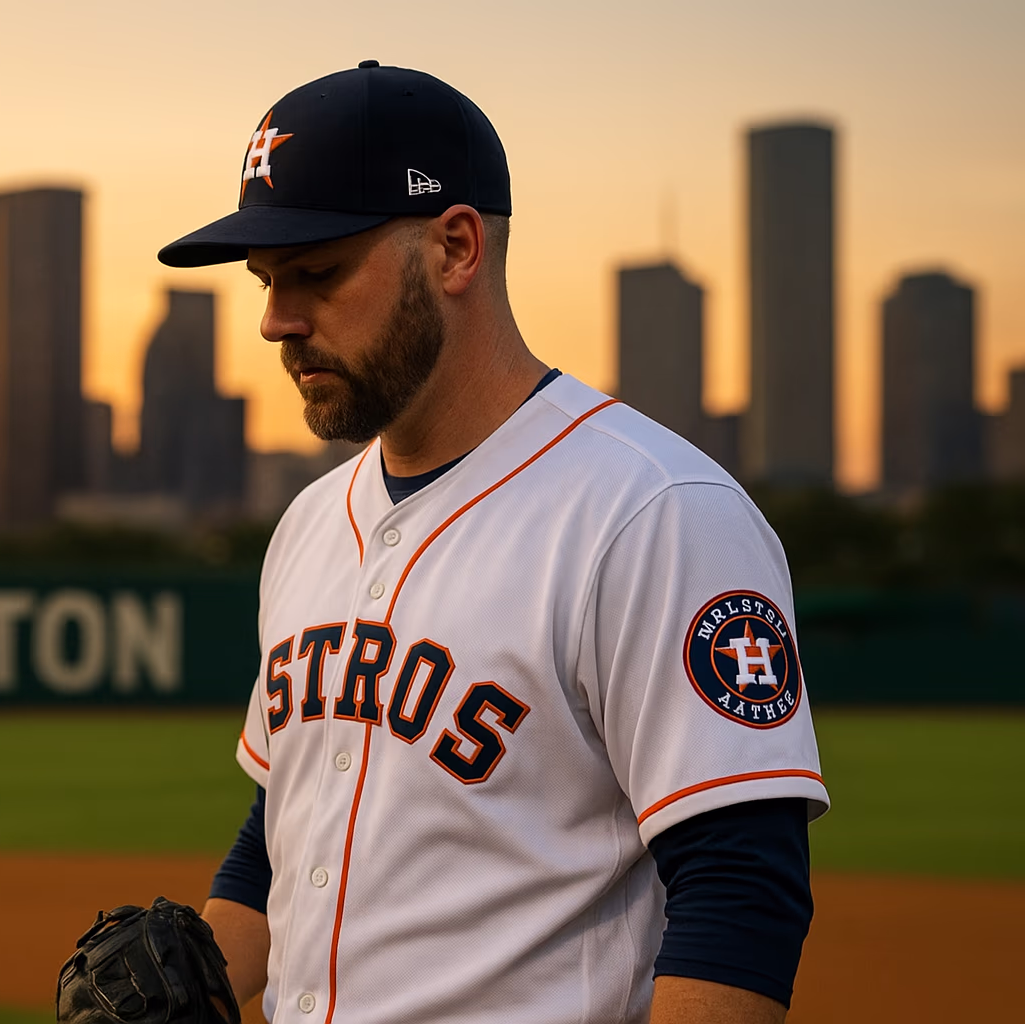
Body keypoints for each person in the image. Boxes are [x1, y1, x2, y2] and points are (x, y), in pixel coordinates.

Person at [157, 62, 827, 1024]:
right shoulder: (308, 526)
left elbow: (741, 889)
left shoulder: (654, 511)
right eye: (268, 281)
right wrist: (198, 982)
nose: (276, 320)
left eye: (317, 272)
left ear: (456, 248)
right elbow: (285, 830)